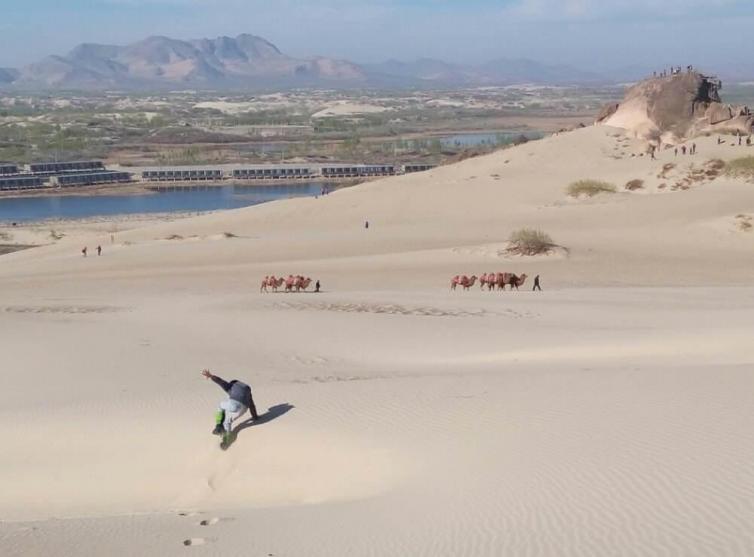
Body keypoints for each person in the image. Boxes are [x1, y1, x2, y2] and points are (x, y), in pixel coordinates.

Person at [202, 369, 259, 446]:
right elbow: (252, 406)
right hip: (244, 408)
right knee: (228, 421)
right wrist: (255, 417)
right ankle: (226, 441)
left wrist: (211, 376)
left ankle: (219, 426)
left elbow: (221, 382)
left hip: (234, 404)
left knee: (220, 406)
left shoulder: (231, 385)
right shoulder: (247, 391)